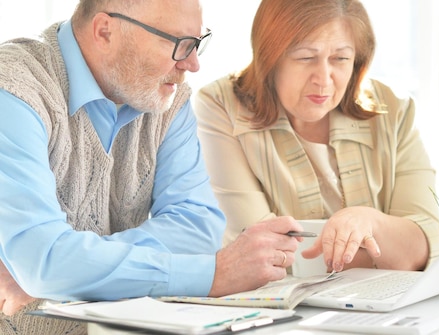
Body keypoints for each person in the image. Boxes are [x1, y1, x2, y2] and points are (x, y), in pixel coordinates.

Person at [0, 1, 304, 334]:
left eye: (197, 42)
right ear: (105, 31)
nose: (193, 63)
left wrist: (65, 269)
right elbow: (44, 262)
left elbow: (197, 228)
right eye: (177, 43)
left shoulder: (165, 99)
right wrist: (212, 275)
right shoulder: (13, 90)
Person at [194, 0, 439, 275]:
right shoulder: (220, 106)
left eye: (340, 59)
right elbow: (257, 253)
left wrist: (370, 222)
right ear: (270, 57)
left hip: (382, 309)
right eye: (305, 57)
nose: (324, 79)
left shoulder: (393, 109)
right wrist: (389, 251)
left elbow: (428, 243)